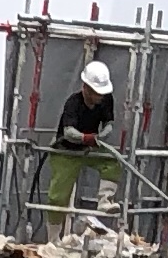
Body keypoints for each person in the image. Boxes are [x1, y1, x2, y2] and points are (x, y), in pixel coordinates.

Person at [43, 56, 120, 218]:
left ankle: (105, 201)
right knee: (58, 198)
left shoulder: (106, 99)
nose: (100, 97)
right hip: (65, 151)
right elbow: (68, 132)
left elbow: (109, 123)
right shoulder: (73, 103)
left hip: (88, 149)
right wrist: (86, 138)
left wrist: (101, 136)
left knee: (112, 162)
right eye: (97, 93)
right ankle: (54, 232)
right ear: (86, 88)